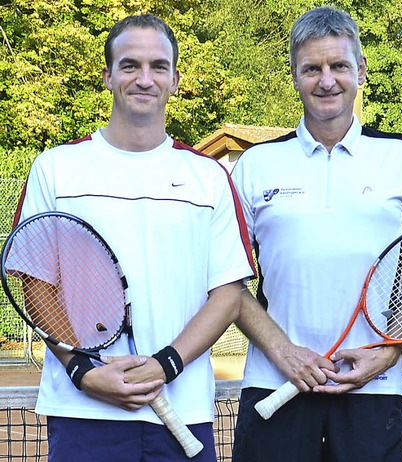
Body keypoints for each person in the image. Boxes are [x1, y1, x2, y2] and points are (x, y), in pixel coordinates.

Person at [13, 14, 255, 462]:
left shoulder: (209, 176)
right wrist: (83, 370)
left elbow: (227, 293)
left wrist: (167, 364)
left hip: (184, 412)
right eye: (129, 65)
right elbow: (38, 283)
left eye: (158, 66)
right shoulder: (55, 167)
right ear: (107, 76)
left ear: (175, 79)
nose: (144, 78)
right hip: (82, 411)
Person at [230, 6, 402, 462]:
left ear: (360, 70)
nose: (327, 80)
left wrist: (387, 352)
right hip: (274, 381)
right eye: (312, 68)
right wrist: (283, 352)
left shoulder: (401, 158)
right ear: (295, 75)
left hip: (372, 386)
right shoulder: (256, 165)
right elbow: (229, 282)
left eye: (339, 66)